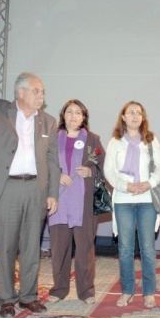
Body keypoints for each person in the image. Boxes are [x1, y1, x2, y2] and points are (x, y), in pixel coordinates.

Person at [0, 58, 60, 318]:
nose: (41, 96)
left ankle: (28, 296)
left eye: (42, 92)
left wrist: (53, 192)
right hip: (6, 187)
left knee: (31, 246)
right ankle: (7, 297)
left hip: (35, 189)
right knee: (6, 246)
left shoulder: (48, 122)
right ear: (20, 92)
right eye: (36, 91)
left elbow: (52, 159)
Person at [104, 101, 160, 308]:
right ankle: (127, 290)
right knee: (125, 249)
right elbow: (109, 171)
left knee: (148, 249)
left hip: (147, 200)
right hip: (123, 201)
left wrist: (149, 183)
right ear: (123, 117)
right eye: (130, 112)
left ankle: (149, 292)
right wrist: (125, 187)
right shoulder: (115, 142)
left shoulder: (150, 140)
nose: (134, 116)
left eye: (138, 113)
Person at [47, 99, 105, 305]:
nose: (73, 116)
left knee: (85, 248)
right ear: (63, 115)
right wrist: (56, 174)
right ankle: (59, 289)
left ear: (84, 117)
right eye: (69, 112)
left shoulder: (93, 140)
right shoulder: (52, 138)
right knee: (59, 248)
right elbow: (43, 164)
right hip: (58, 201)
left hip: (84, 203)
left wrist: (91, 171)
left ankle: (86, 291)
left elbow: (103, 166)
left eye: (78, 113)